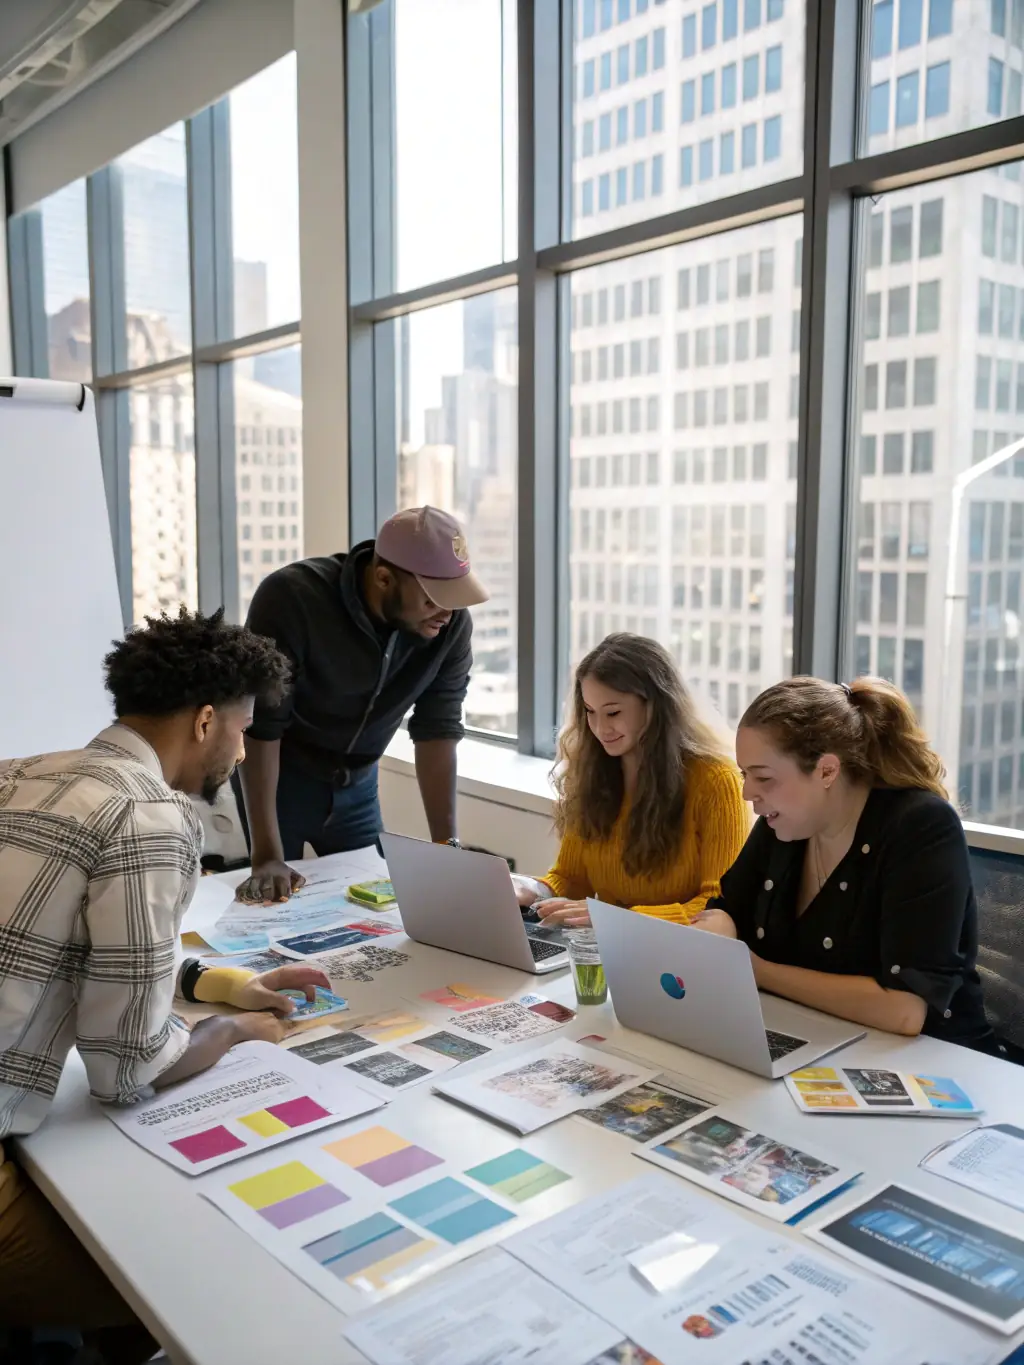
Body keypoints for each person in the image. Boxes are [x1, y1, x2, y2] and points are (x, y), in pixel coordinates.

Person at [0, 609, 330, 1358]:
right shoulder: (150, 816)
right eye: (244, 730)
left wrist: (214, 983)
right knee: (204, 1264)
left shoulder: (24, 771)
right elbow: (127, 1066)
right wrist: (236, 1031)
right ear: (206, 720)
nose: (244, 753)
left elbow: (61, 943)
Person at [696, 675, 1011, 1054]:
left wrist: (758, 971)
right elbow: (729, 906)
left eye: (763, 777)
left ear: (827, 771)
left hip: (932, 1062)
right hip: (819, 1040)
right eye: (746, 775)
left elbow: (903, 1010)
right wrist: (717, 932)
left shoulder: (921, 827)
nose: (748, 794)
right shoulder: (784, 823)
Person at [234, 506, 489, 905]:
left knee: (378, 906)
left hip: (358, 788)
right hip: (281, 777)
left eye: (454, 597)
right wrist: (267, 855)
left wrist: (446, 846)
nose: (447, 612)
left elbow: (438, 728)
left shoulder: (451, 626)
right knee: (272, 903)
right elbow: (262, 726)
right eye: (433, 600)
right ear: (384, 578)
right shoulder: (292, 598)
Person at [512, 634, 748, 927]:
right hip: (610, 949)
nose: (600, 728)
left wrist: (620, 920)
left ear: (655, 705)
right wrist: (531, 890)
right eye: (590, 712)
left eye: (613, 712)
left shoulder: (716, 782)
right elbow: (571, 878)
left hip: (679, 959)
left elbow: (719, 906)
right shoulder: (592, 774)